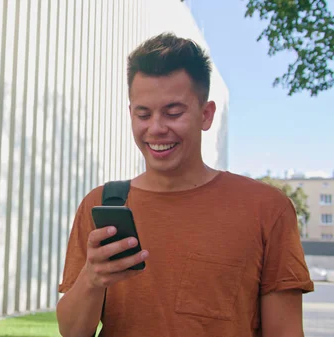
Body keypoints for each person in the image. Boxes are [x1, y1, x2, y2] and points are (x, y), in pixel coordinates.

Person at [56, 32, 314, 337]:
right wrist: (91, 279)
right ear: (131, 115)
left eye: (173, 112)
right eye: (143, 114)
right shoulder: (101, 204)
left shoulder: (267, 209)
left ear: (206, 115)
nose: (156, 128)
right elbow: (73, 332)